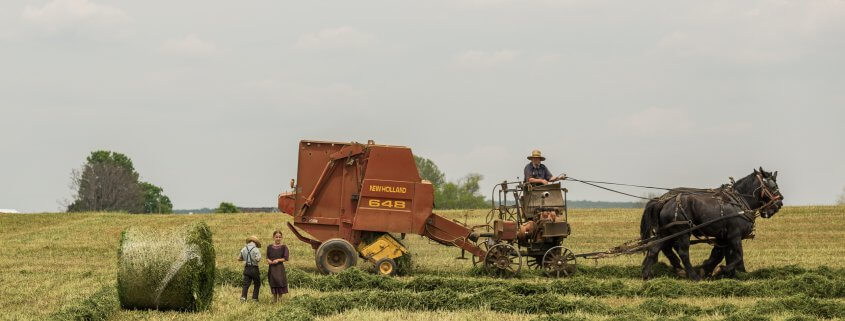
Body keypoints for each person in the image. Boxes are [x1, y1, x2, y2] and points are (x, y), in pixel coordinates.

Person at [266, 230, 290, 302]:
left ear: (282, 238)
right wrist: (268, 261)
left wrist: (278, 260)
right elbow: (267, 257)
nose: (278, 238)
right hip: (272, 268)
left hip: (279, 268)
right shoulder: (269, 247)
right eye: (276, 237)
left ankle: (280, 298)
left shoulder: (284, 247)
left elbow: (286, 258)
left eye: (280, 237)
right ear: (273, 237)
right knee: (273, 281)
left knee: (280, 281)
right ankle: (274, 298)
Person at [238, 235, 262, 302]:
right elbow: (258, 259)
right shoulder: (256, 249)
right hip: (254, 268)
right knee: (257, 283)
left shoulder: (244, 249)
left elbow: (239, 258)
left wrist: (245, 259)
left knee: (246, 284)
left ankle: (243, 297)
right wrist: (253, 259)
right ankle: (254, 298)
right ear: (255, 242)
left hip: (247, 268)